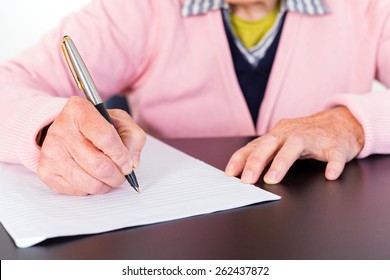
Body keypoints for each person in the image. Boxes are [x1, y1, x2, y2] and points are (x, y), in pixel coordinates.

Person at [0, 0, 389, 195]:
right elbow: (9, 81)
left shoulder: (368, 8)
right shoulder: (141, 9)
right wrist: (48, 130)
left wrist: (353, 124)